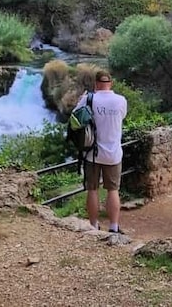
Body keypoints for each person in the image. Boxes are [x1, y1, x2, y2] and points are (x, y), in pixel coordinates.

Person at [74, 70, 128, 233]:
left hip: (92, 154)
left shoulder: (88, 99)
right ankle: (113, 227)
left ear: (96, 84)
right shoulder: (120, 100)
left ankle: (93, 225)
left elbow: (75, 120)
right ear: (110, 83)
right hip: (113, 153)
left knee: (92, 189)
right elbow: (122, 117)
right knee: (113, 190)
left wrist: (80, 100)